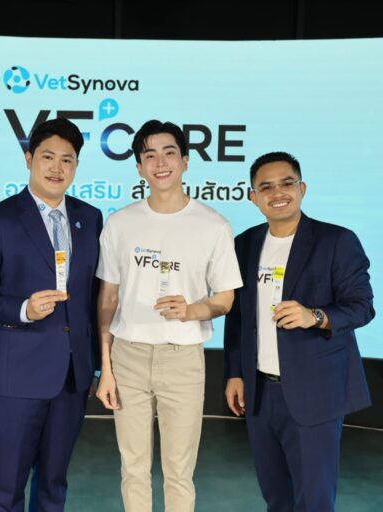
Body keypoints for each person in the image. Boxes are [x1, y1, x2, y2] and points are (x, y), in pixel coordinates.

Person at [95, 120, 242, 512]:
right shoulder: (120, 223)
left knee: (179, 471)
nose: (160, 163)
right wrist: (106, 367)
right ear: (139, 167)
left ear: (186, 161)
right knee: (133, 469)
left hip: (183, 359)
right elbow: (108, 298)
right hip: (128, 356)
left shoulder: (213, 225)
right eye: (150, 155)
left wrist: (191, 310)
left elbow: (225, 299)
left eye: (169, 153)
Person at [0, 118, 102, 512]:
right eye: (47, 157)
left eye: (67, 160)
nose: (57, 168)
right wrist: (22, 308)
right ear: (29, 159)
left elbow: (92, 296)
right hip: (18, 378)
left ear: (76, 166)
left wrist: (94, 364)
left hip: (72, 377)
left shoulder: (89, 218)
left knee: (54, 485)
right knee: (7, 489)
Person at [223, 151, 375, 512]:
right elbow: (237, 316)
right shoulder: (245, 244)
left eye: (287, 183)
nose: (277, 193)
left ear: (302, 188)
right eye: (266, 187)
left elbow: (362, 306)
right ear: (253, 197)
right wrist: (234, 373)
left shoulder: (336, 240)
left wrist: (315, 316)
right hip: (260, 393)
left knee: (314, 499)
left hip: (315, 392)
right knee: (276, 496)